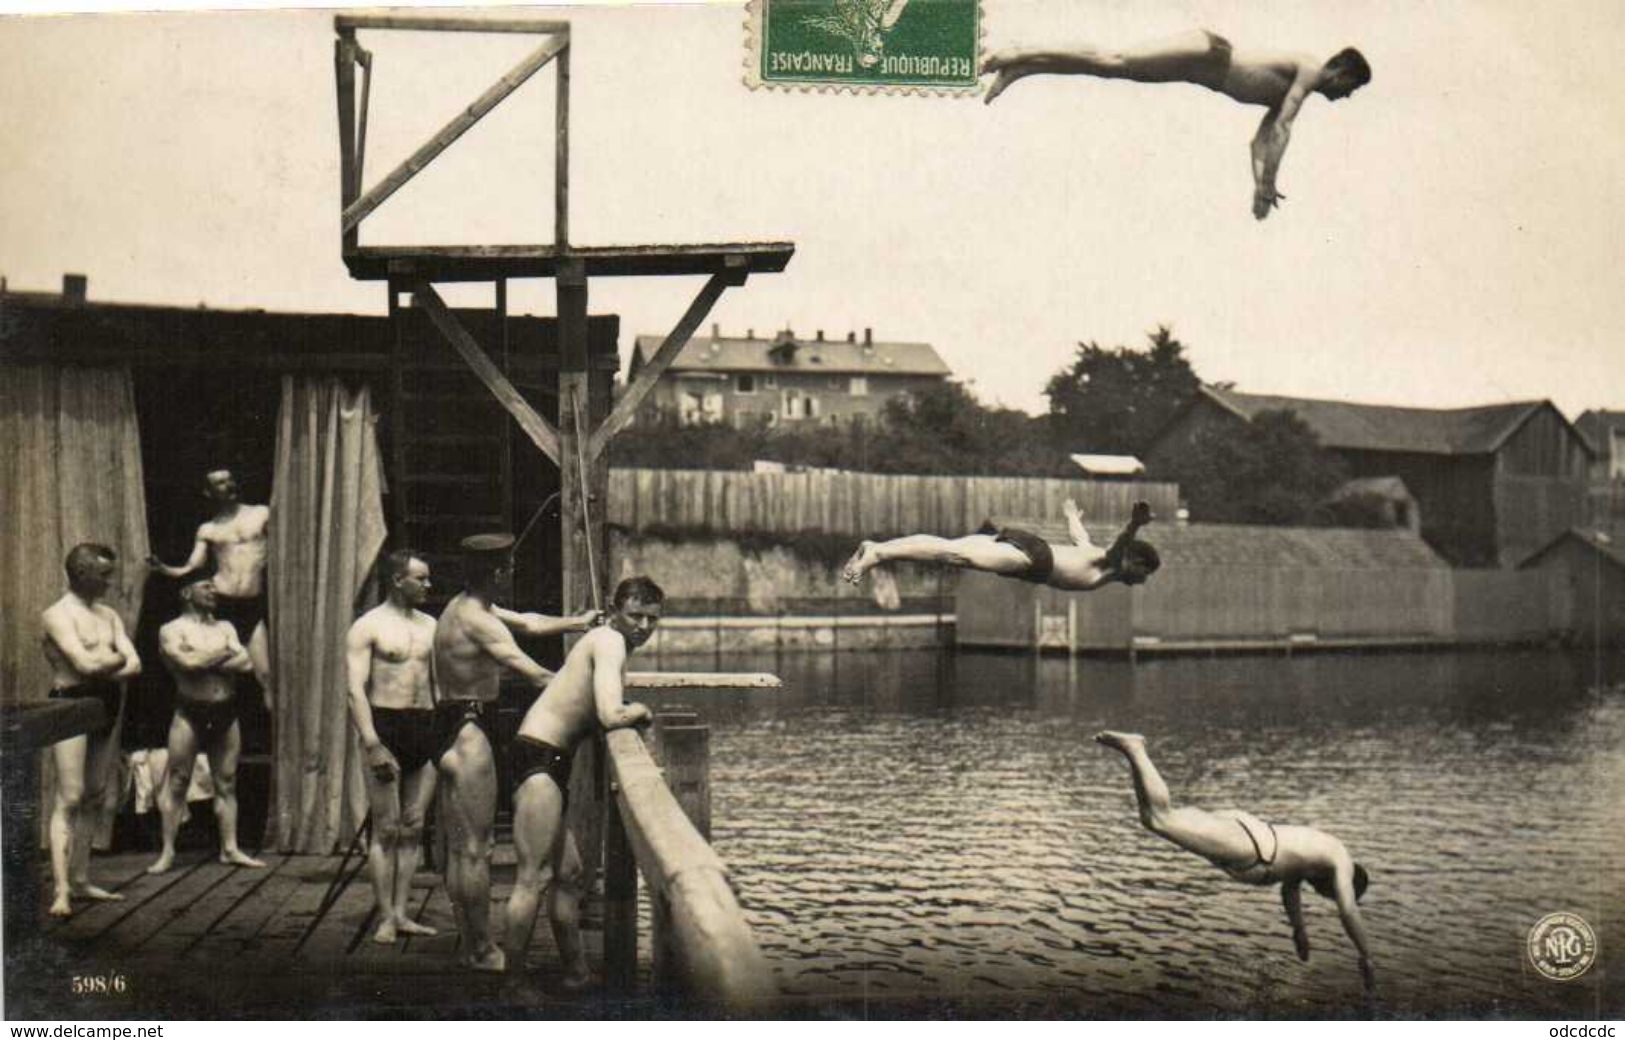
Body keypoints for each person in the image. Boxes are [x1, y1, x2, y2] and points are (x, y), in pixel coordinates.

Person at [982, 30, 1372, 219]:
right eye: (1351, 87)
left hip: (1196, 72)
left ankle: (1024, 69)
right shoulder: (1307, 69)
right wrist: (1268, 183)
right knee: (1114, 59)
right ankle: (1021, 51)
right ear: (1339, 70)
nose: (1348, 96)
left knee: (1110, 72)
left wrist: (1259, 188)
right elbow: (1283, 129)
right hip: (1208, 52)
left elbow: (1259, 143)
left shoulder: (1290, 93)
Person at [430, 533, 597, 971]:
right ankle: (484, 950)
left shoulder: (466, 606)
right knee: (476, 849)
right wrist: (589, 685)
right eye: (508, 568)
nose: (512, 574)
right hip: (470, 728)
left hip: (450, 724)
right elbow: (534, 672)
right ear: (497, 572)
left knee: (459, 848)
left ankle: (471, 944)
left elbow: (529, 622)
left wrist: (579, 622)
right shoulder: (478, 620)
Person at [1095, 731, 1375, 990]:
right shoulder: (1342, 860)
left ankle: (1133, 752)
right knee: (1161, 819)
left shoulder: (1315, 861)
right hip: (1251, 847)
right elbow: (1348, 910)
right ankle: (1135, 748)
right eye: (1330, 894)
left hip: (1248, 835)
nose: (1326, 894)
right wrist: (1366, 956)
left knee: (1152, 818)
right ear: (1348, 881)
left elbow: (1290, 889)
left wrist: (1299, 930)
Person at [502, 577, 660, 988]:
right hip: (537, 757)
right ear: (614, 612)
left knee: (569, 873)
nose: (643, 625)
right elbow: (610, 714)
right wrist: (638, 709)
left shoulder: (607, 641)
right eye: (635, 615)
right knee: (532, 878)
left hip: (548, 759)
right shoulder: (609, 642)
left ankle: (576, 973)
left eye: (652, 618)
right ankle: (512, 984)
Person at [345, 549, 441, 943]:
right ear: (398, 580)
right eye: (421, 578)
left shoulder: (432, 625)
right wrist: (371, 743)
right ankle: (385, 917)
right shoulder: (367, 627)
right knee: (386, 828)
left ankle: (402, 913)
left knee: (414, 826)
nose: (428, 585)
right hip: (385, 726)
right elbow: (354, 691)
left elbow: (439, 685)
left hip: (425, 726)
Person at [40, 543, 141, 916]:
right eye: (104, 575)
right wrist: (112, 660)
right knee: (70, 795)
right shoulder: (56, 615)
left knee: (96, 793)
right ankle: (62, 890)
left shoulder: (109, 615)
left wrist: (106, 662)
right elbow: (83, 665)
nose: (110, 582)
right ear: (82, 574)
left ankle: (80, 879)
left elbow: (136, 663)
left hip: (105, 702)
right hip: (70, 703)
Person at [147, 578, 267, 873]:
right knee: (177, 781)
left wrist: (202, 659)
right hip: (190, 711)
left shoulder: (225, 627)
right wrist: (223, 654)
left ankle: (230, 848)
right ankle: (167, 851)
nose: (213, 592)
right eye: (206, 586)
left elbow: (247, 664)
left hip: (225, 709)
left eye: (214, 587)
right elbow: (187, 665)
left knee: (226, 782)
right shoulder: (172, 629)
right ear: (187, 593)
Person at [843, 499, 1158, 599]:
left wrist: (1072, 516)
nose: (1143, 581)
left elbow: (1079, 536)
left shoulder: (1095, 555)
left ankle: (875, 547)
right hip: (1031, 558)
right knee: (956, 555)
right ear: (1134, 561)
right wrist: (1135, 524)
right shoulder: (1111, 563)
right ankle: (878, 556)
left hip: (1028, 551)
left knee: (949, 548)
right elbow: (1120, 544)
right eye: (1145, 573)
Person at [148, 468, 272, 700]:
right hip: (221, 603)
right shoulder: (208, 529)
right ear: (209, 492)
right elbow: (193, 566)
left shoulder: (260, 514)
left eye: (230, 479)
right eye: (220, 483)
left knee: (264, 674)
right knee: (213, 672)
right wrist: (166, 569)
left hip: (252, 604)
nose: (229, 485)